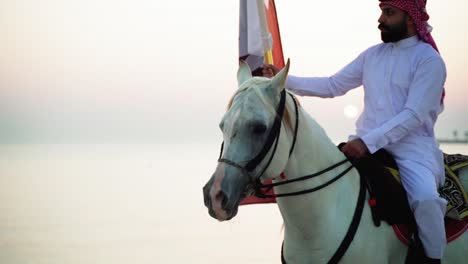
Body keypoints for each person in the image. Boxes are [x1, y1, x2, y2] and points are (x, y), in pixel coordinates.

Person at [262, 1, 447, 263]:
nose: (381, 19)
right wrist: (283, 80)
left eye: (389, 13)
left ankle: (432, 259)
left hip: (412, 151)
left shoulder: (429, 61)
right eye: (382, 12)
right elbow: (332, 85)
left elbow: (414, 115)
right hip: (364, 146)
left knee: (426, 200)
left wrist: (367, 142)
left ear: (410, 19)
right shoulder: (372, 55)